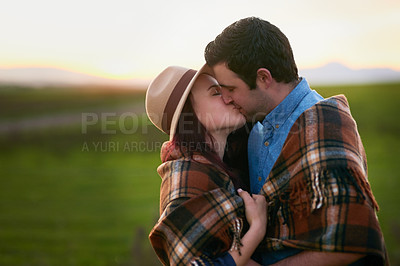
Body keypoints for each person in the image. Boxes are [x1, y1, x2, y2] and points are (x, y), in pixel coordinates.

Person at [205, 17, 388, 265]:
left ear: (263, 78)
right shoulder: (254, 128)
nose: (226, 99)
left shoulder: (325, 124)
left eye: (231, 89)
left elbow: (351, 244)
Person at [146, 65, 268, 265]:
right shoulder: (187, 180)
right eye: (215, 93)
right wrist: (257, 229)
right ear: (189, 115)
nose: (229, 97)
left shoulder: (219, 167)